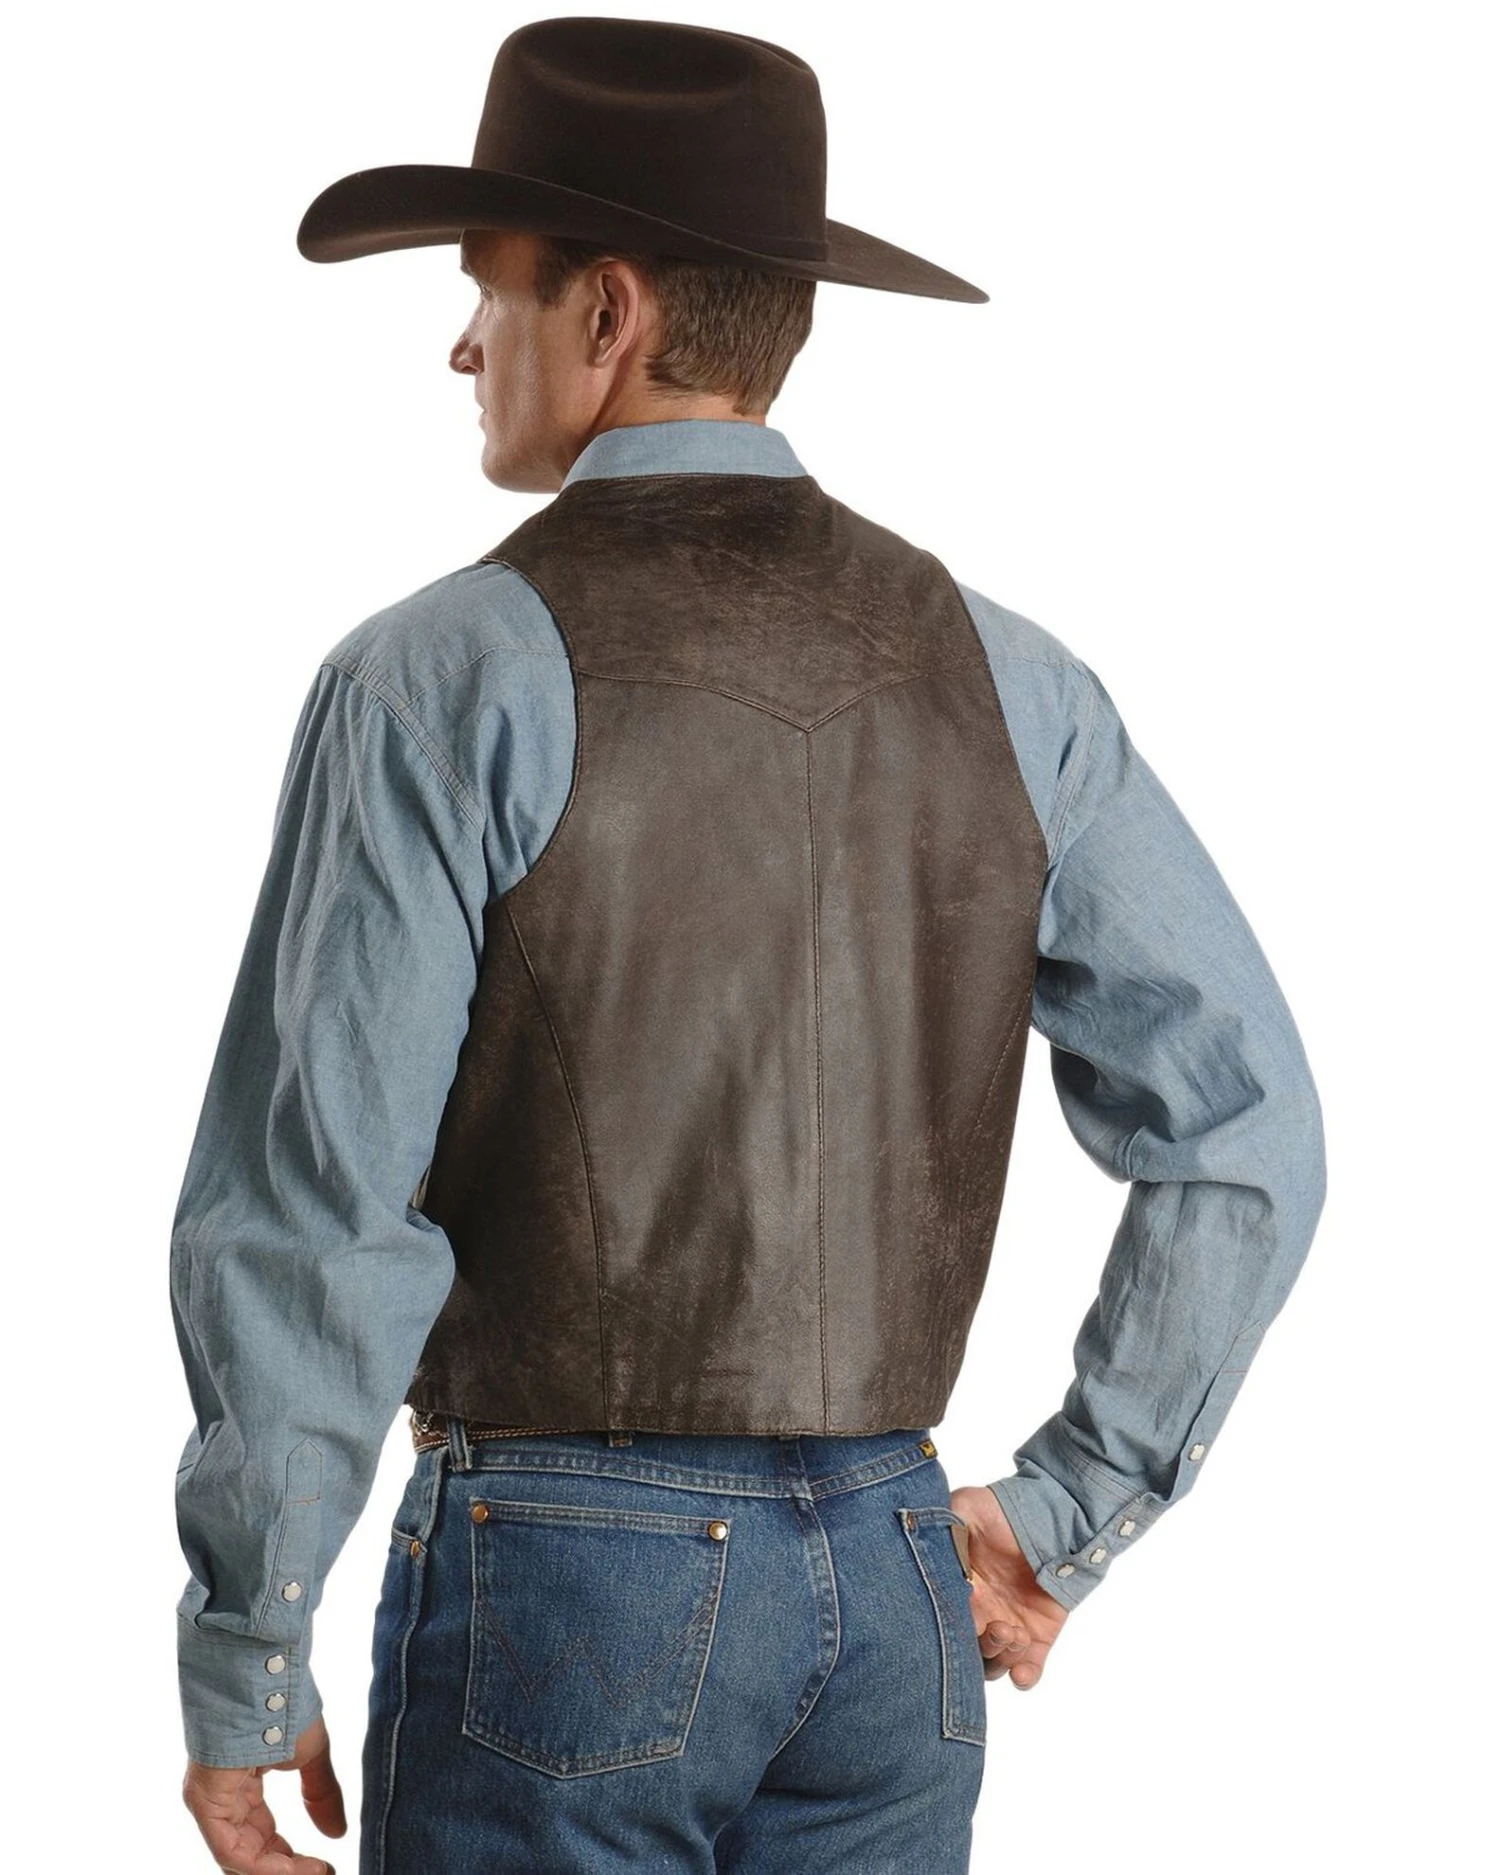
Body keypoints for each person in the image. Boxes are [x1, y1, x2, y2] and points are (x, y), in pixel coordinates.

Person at [171, 18, 1327, 1875]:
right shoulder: (1013, 678)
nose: (463, 345)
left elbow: (314, 1216)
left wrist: (250, 1642)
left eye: (489, 289)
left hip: (567, 1583)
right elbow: (1248, 1133)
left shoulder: (434, 679)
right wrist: (1061, 1511)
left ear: (606, 312)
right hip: (892, 1585)